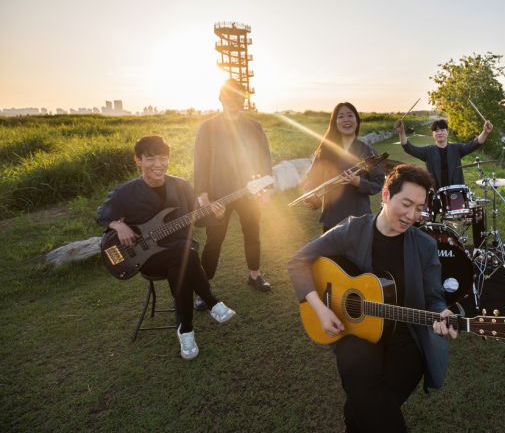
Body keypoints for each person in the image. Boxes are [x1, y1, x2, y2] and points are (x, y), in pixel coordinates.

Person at [288, 164, 458, 432]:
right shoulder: (352, 230)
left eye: (419, 207)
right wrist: (320, 308)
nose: (412, 215)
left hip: (405, 338)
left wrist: (442, 312)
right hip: (355, 333)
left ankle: (352, 422)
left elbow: (433, 297)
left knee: (367, 405)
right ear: (386, 195)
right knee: (368, 393)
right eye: (406, 204)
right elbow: (298, 261)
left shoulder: (425, 246)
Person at [96, 135, 236, 360]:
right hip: (146, 258)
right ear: (138, 161)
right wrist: (117, 224)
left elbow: (196, 220)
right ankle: (211, 302)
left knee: (182, 259)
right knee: (186, 254)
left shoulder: (181, 185)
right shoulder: (125, 192)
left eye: (163, 158)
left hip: (180, 255)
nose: (158, 164)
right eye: (150, 159)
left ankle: (186, 330)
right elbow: (102, 213)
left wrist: (215, 215)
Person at [194, 79, 274, 300]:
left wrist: (266, 190)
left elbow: (264, 159)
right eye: (229, 97)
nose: (233, 101)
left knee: (252, 233)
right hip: (218, 195)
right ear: (221, 98)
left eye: (238, 97)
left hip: (250, 192)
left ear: (243, 99)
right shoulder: (208, 127)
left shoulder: (254, 126)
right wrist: (204, 197)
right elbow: (200, 164)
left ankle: (255, 275)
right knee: (214, 241)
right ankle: (203, 290)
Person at [302, 102, 384, 233]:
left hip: (359, 219)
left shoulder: (368, 151)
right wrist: (309, 193)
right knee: (332, 254)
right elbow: (312, 179)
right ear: (334, 122)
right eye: (340, 116)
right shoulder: (325, 150)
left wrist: (358, 182)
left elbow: (378, 183)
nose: (346, 119)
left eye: (350, 115)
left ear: (357, 120)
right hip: (332, 219)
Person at [394, 117, 493, 190]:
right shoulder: (428, 151)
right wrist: (401, 132)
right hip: (438, 194)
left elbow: (475, 144)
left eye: (442, 130)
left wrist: (485, 132)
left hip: (457, 191)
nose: (439, 133)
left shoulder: (457, 148)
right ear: (433, 134)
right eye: (436, 131)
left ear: (447, 132)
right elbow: (409, 148)